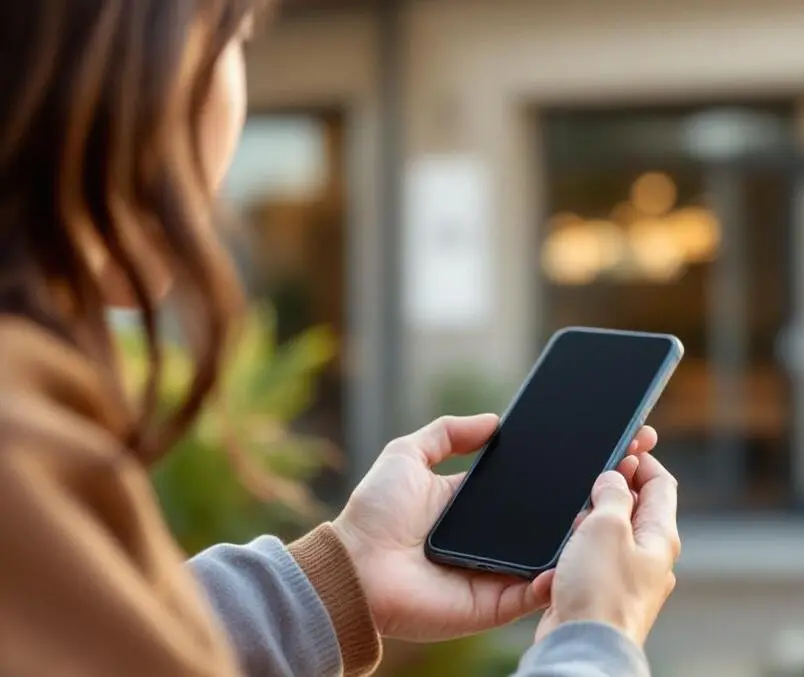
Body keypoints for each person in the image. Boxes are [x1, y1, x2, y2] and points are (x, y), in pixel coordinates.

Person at [0, 2, 681, 676]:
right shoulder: (20, 443)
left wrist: (343, 573)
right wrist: (595, 640)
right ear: (125, 59)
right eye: (233, 38)